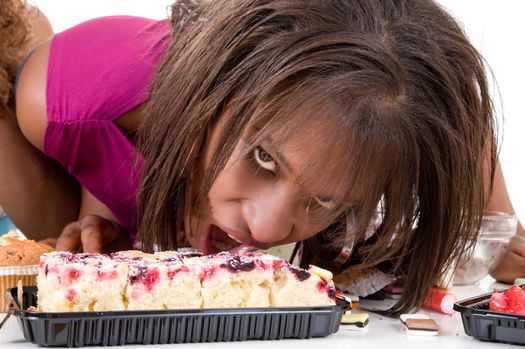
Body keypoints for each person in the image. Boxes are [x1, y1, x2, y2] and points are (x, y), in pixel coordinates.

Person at [0, 0, 520, 315]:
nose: (267, 229)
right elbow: (64, 246)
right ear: (218, 90)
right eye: (263, 158)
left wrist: (494, 229)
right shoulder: (65, 104)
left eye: (324, 199)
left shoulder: (388, 117)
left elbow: (453, 115)